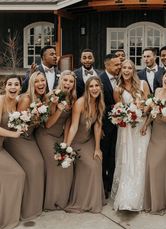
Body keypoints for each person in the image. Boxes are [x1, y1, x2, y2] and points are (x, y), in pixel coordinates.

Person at [4, 71, 45, 220]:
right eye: (37, 81)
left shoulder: (41, 99)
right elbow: (18, 124)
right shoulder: (26, 99)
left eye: (43, 81)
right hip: (17, 138)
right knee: (34, 164)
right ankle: (27, 209)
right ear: (31, 84)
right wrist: (34, 116)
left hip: (29, 138)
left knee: (40, 164)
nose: (41, 84)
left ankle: (34, 207)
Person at [111, 59, 151, 211]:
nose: (126, 70)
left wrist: (141, 111)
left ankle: (142, 195)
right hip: (126, 129)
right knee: (127, 160)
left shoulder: (143, 85)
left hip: (141, 127)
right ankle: (126, 197)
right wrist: (125, 115)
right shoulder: (118, 89)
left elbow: (150, 106)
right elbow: (118, 110)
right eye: (124, 68)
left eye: (129, 68)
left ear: (134, 70)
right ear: (121, 70)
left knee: (141, 158)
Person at [35, 70, 77, 210]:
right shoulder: (53, 96)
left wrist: (65, 144)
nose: (68, 83)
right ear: (61, 81)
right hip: (46, 135)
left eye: (71, 81)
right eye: (65, 80)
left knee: (67, 164)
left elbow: (68, 123)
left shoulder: (72, 98)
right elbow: (47, 124)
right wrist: (59, 109)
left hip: (59, 136)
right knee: (55, 164)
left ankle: (62, 200)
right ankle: (50, 202)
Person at [65, 76, 105, 213]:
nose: (94, 89)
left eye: (96, 86)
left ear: (100, 87)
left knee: (97, 161)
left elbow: (98, 126)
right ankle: (82, 200)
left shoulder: (100, 103)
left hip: (89, 141)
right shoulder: (80, 103)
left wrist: (97, 148)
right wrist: (66, 148)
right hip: (76, 142)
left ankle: (94, 200)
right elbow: (73, 127)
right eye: (91, 86)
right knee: (90, 166)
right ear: (87, 89)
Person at [142, 68, 166, 214]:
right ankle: (152, 201)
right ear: (162, 77)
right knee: (151, 166)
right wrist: (145, 124)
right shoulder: (156, 91)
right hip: (155, 135)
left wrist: (157, 112)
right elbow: (151, 111)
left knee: (160, 168)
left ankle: (162, 203)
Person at [0, 75, 25, 229]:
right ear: (4, 86)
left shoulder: (18, 103)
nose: (13, 87)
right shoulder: (0, 101)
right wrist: (14, 135)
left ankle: (8, 213)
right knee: (17, 174)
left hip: (1, 147)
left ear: (20, 88)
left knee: (18, 174)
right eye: (10, 84)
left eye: (16, 84)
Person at [100, 53, 121, 198]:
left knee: (115, 156)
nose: (119, 67)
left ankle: (113, 185)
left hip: (120, 127)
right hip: (105, 126)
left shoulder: (121, 79)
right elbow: (98, 107)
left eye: (120, 64)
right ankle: (103, 187)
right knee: (104, 156)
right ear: (107, 66)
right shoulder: (100, 81)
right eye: (116, 65)